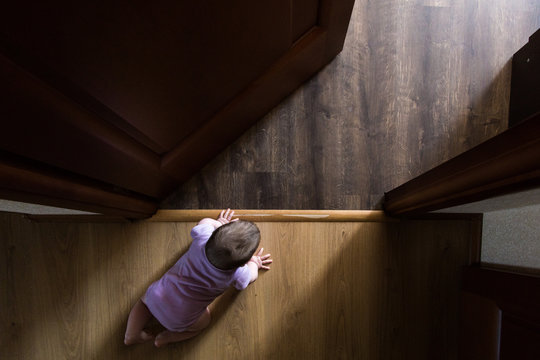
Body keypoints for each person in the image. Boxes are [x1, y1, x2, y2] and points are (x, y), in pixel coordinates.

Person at [124, 209, 272, 347]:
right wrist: (254, 263)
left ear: (213, 234)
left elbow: (204, 222)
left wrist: (218, 223)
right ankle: (168, 338)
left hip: (157, 296)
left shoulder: (202, 238)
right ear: (242, 263)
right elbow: (249, 278)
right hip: (180, 319)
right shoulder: (237, 274)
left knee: (142, 303)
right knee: (204, 322)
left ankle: (132, 334)